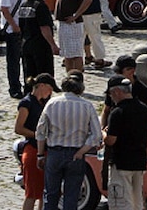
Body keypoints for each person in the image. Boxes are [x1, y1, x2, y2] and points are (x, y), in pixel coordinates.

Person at [35, 71, 102, 210]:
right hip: (76, 153)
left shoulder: (52, 103)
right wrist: (82, 151)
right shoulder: (86, 105)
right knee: (72, 195)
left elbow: (40, 132)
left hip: (55, 153)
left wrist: (40, 155)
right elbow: (96, 135)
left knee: (50, 194)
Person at [101, 75, 147, 210]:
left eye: (111, 94)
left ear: (117, 91)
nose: (111, 97)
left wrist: (103, 134)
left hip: (121, 163)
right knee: (137, 202)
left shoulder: (117, 112)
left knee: (122, 202)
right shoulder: (144, 109)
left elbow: (111, 141)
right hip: (139, 162)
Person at [15, 73, 60, 210]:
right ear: (41, 86)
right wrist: (37, 135)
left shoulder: (45, 103)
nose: (51, 92)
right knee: (32, 193)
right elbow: (18, 128)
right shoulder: (26, 103)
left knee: (44, 192)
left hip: (48, 150)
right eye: (50, 88)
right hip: (33, 149)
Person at [55, 0, 91, 73]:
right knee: (67, 54)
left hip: (73, 23)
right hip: (62, 22)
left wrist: (76, 14)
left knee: (76, 53)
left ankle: (77, 78)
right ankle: (69, 78)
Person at [0, 0, 28, 98]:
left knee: (26, 59)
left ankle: (27, 84)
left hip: (23, 26)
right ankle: (14, 87)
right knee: (13, 61)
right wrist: (14, 26)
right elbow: (5, 9)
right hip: (12, 29)